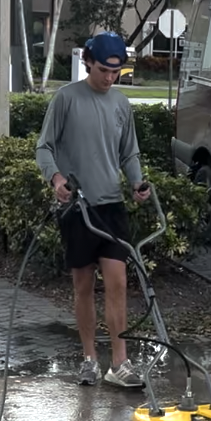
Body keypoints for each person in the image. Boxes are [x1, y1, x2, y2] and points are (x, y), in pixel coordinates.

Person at [35, 31, 151, 388]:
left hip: (111, 206)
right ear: (88, 63)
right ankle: (89, 358)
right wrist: (56, 180)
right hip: (77, 208)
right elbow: (44, 148)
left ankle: (120, 363)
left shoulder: (121, 105)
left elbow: (128, 152)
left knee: (117, 283)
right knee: (83, 286)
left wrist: (137, 181)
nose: (110, 78)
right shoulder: (66, 99)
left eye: (116, 72)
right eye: (103, 70)